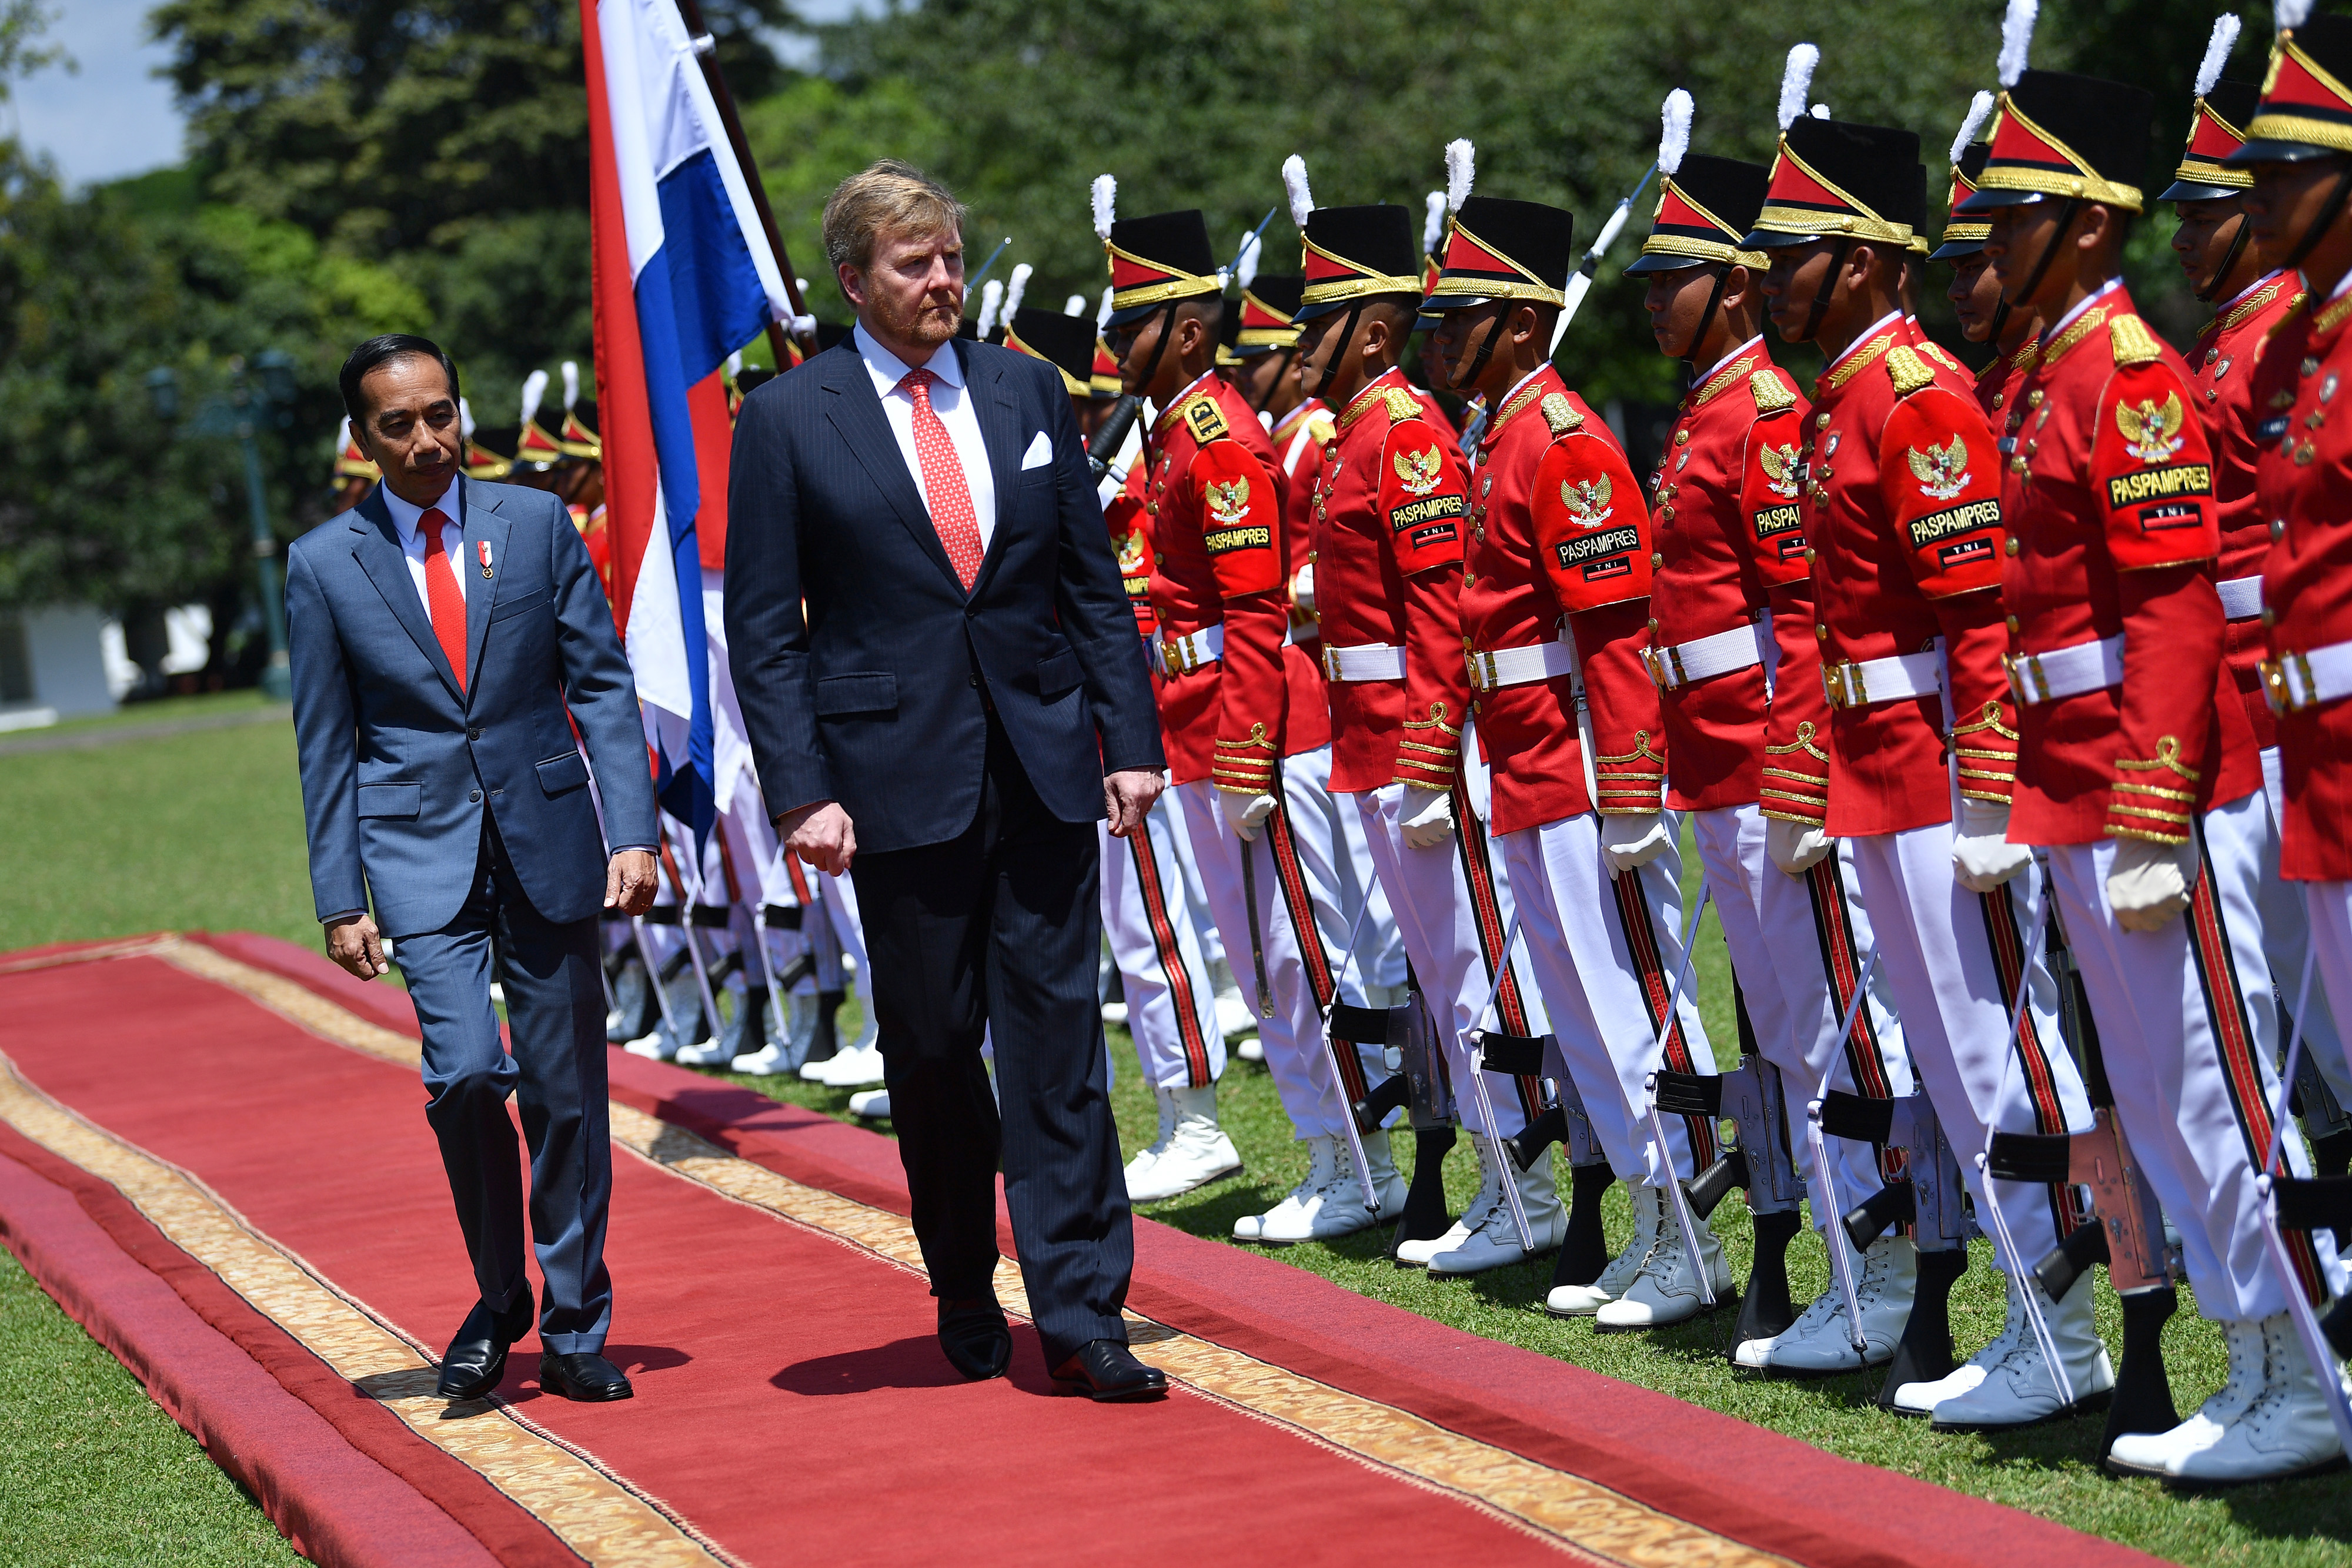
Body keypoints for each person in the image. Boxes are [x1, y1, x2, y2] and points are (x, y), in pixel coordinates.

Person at [724, 161, 1169, 1401]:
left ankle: (1083, 1310)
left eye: (949, 260)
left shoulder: (1027, 387)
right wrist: (800, 789)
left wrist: (1126, 741)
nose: (940, 283)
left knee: (1059, 1045)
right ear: (853, 280)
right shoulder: (787, 418)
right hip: (889, 782)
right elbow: (763, 627)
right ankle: (963, 1274)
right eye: (913, 265)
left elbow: (1091, 584)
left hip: (1039, 769)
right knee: (929, 1049)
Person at [1739, 55, 2100, 1415]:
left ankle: (2075, 1314)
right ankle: (2032, 1312)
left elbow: (1980, 620)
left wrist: (1991, 790)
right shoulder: (1846, 395)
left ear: (1865, 262)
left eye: (1793, 256)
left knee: (2003, 1051)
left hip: (1939, 771)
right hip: (1874, 767)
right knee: (1948, 1061)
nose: (1769, 280)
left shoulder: (1915, 398)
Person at [285, 333, 660, 1405]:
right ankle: (504, 1298)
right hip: (418, 858)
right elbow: (326, 743)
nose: (427, 439)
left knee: (566, 1093)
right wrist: (337, 896)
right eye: (398, 424)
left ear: (462, 410)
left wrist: (629, 829)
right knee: (461, 1079)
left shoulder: (535, 525)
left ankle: (579, 1324)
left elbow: (600, 687)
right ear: (363, 440)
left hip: (549, 846)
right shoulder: (323, 564)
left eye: (440, 413)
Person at [1620, 110, 1914, 1350]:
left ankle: (1890, 1268)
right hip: (1718, 757)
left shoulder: (1763, 417)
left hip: (1765, 756)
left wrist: (1795, 772)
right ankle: (1852, 1266)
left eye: (1668, 281)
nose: (1648, 305)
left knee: (1832, 1023)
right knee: (1783, 1030)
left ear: (1733, 291)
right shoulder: (1708, 412)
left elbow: (1803, 615)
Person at [1423, 188, 1724, 1317]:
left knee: (1629, 1002)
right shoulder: (1497, 436)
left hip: (1581, 762)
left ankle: (1687, 1224)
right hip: (1521, 760)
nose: (1443, 340)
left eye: (1466, 320)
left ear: (1522, 324)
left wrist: (1633, 788)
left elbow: (1610, 636)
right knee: (1576, 1010)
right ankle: (1653, 1223)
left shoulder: (1563, 444)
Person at [1093, 194, 1381, 1236]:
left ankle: (1360, 1161)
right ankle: (1332, 1154)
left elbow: (1258, 611)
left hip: (1249, 723)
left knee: (1300, 954)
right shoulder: (1169, 437)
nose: (1114, 343)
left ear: (1189, 332)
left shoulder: (1215, 440)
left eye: (1133, 323)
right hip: (1198, 720)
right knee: (1264, 964)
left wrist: (1249, 753)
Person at [1287, 176, 1558, 1275]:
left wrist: (1425, 750)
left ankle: (1524, 1185)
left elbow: (1444, 611)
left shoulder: (1400, 437)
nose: (1301, 338)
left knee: (1474, 972)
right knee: (1437, 980)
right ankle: (1502, 1182)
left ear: (1376, 332)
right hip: (1367, 732)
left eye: (1322, 318)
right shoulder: (1361, 432)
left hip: (1413, 736)